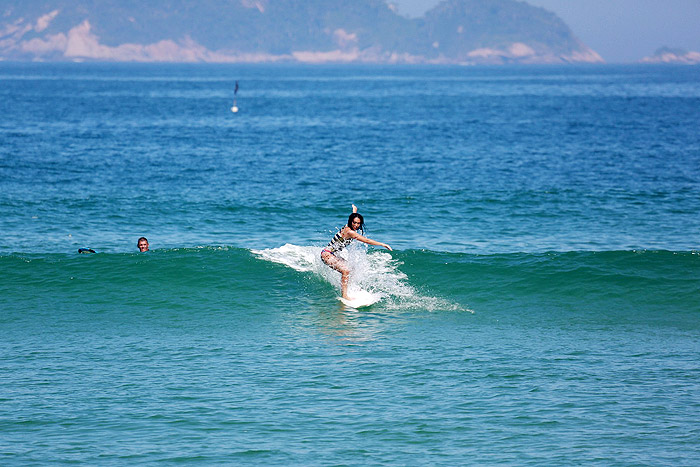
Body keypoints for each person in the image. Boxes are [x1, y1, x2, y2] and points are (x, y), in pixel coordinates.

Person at [321, 204, 392, 299]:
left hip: (333, 254)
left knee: (352, 269)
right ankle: (345, 295)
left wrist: (355, 210)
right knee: (345, 271)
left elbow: (353, 216)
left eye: (358, 223)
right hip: (327, 254)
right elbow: (366, 240)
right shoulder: (350, 232)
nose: (356, 225)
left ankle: (349, 288)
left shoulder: (349, 226)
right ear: (350, 221)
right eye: (354, 223)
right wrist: (382, 244)